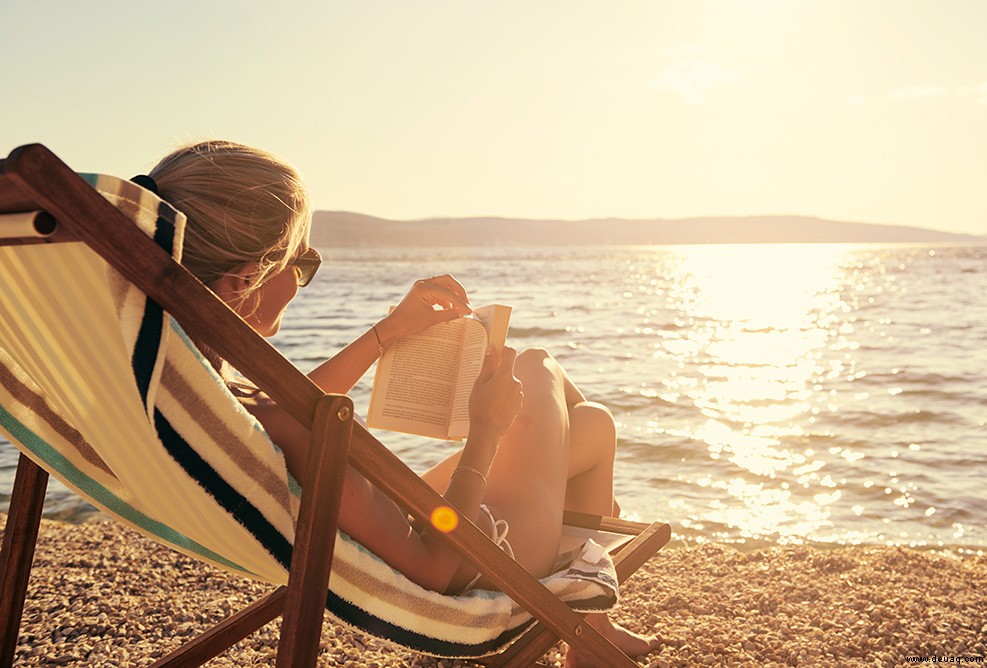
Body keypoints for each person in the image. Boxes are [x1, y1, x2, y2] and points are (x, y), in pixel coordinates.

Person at [147, 139, 660, 666]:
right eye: (301, 264)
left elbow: (289, 409)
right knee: (541, 370)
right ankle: (589, 621)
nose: (302, 278)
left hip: (423, 523)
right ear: (245, 280)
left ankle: (593, 628)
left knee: (589, 426)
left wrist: (387, 334)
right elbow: (437, 567)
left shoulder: (188, 379)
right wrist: (485, 430)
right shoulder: (268, 418)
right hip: (478, 555)